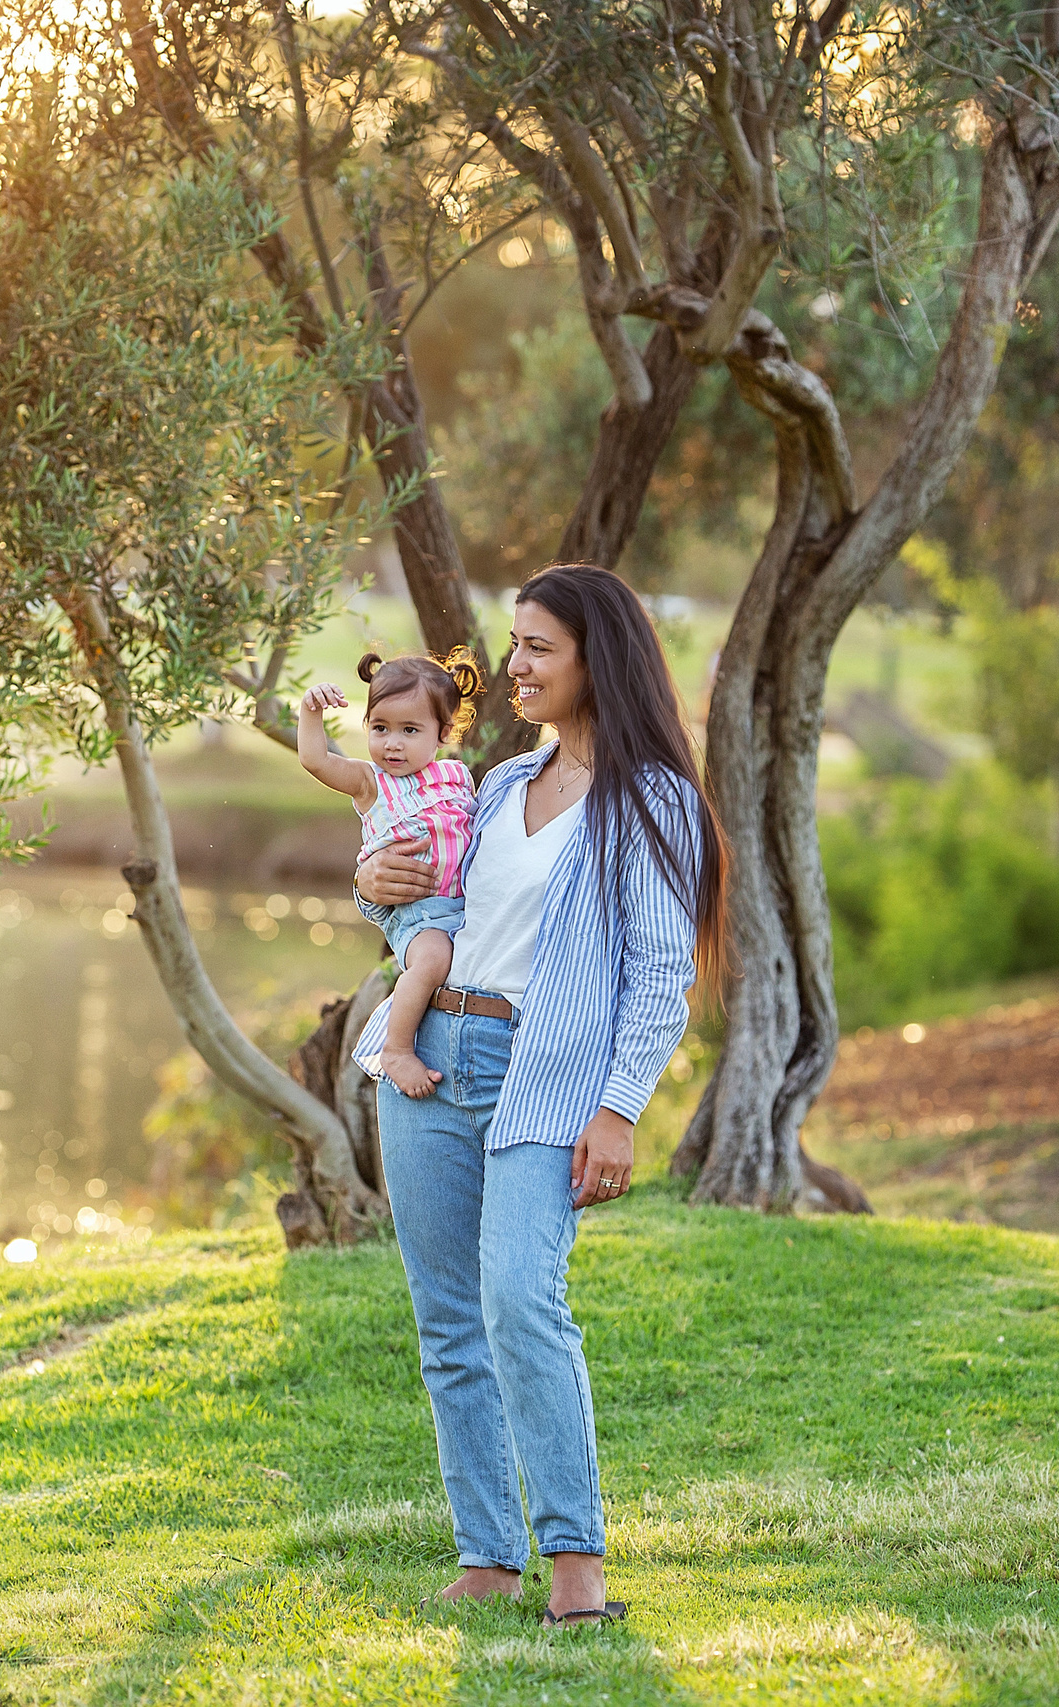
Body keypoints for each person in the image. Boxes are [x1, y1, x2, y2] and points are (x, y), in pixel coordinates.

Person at [352, 564, 725, 1628]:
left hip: (543, 1078)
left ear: (593, 660)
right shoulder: (504, 782)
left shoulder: (653, 804)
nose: (511, 666)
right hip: (427, 1060)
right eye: (514, 644)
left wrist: (617, 1108)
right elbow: (415, 882)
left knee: (522, 1299)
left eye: (536, 649)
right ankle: (486, 1557)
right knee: (448, 1321)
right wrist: (372, 889)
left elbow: (659, 981)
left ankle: (576, 1568)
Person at [297, 649, 486, 1099]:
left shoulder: (457, 777)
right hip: (417, 915)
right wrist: (310, 712)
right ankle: (396, 1050)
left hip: (462, 906)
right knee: (434, 960)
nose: (392, 744)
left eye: (409, 730)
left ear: (442, 733)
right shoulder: (370, 781)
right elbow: (315, 760)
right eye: (380, 728)